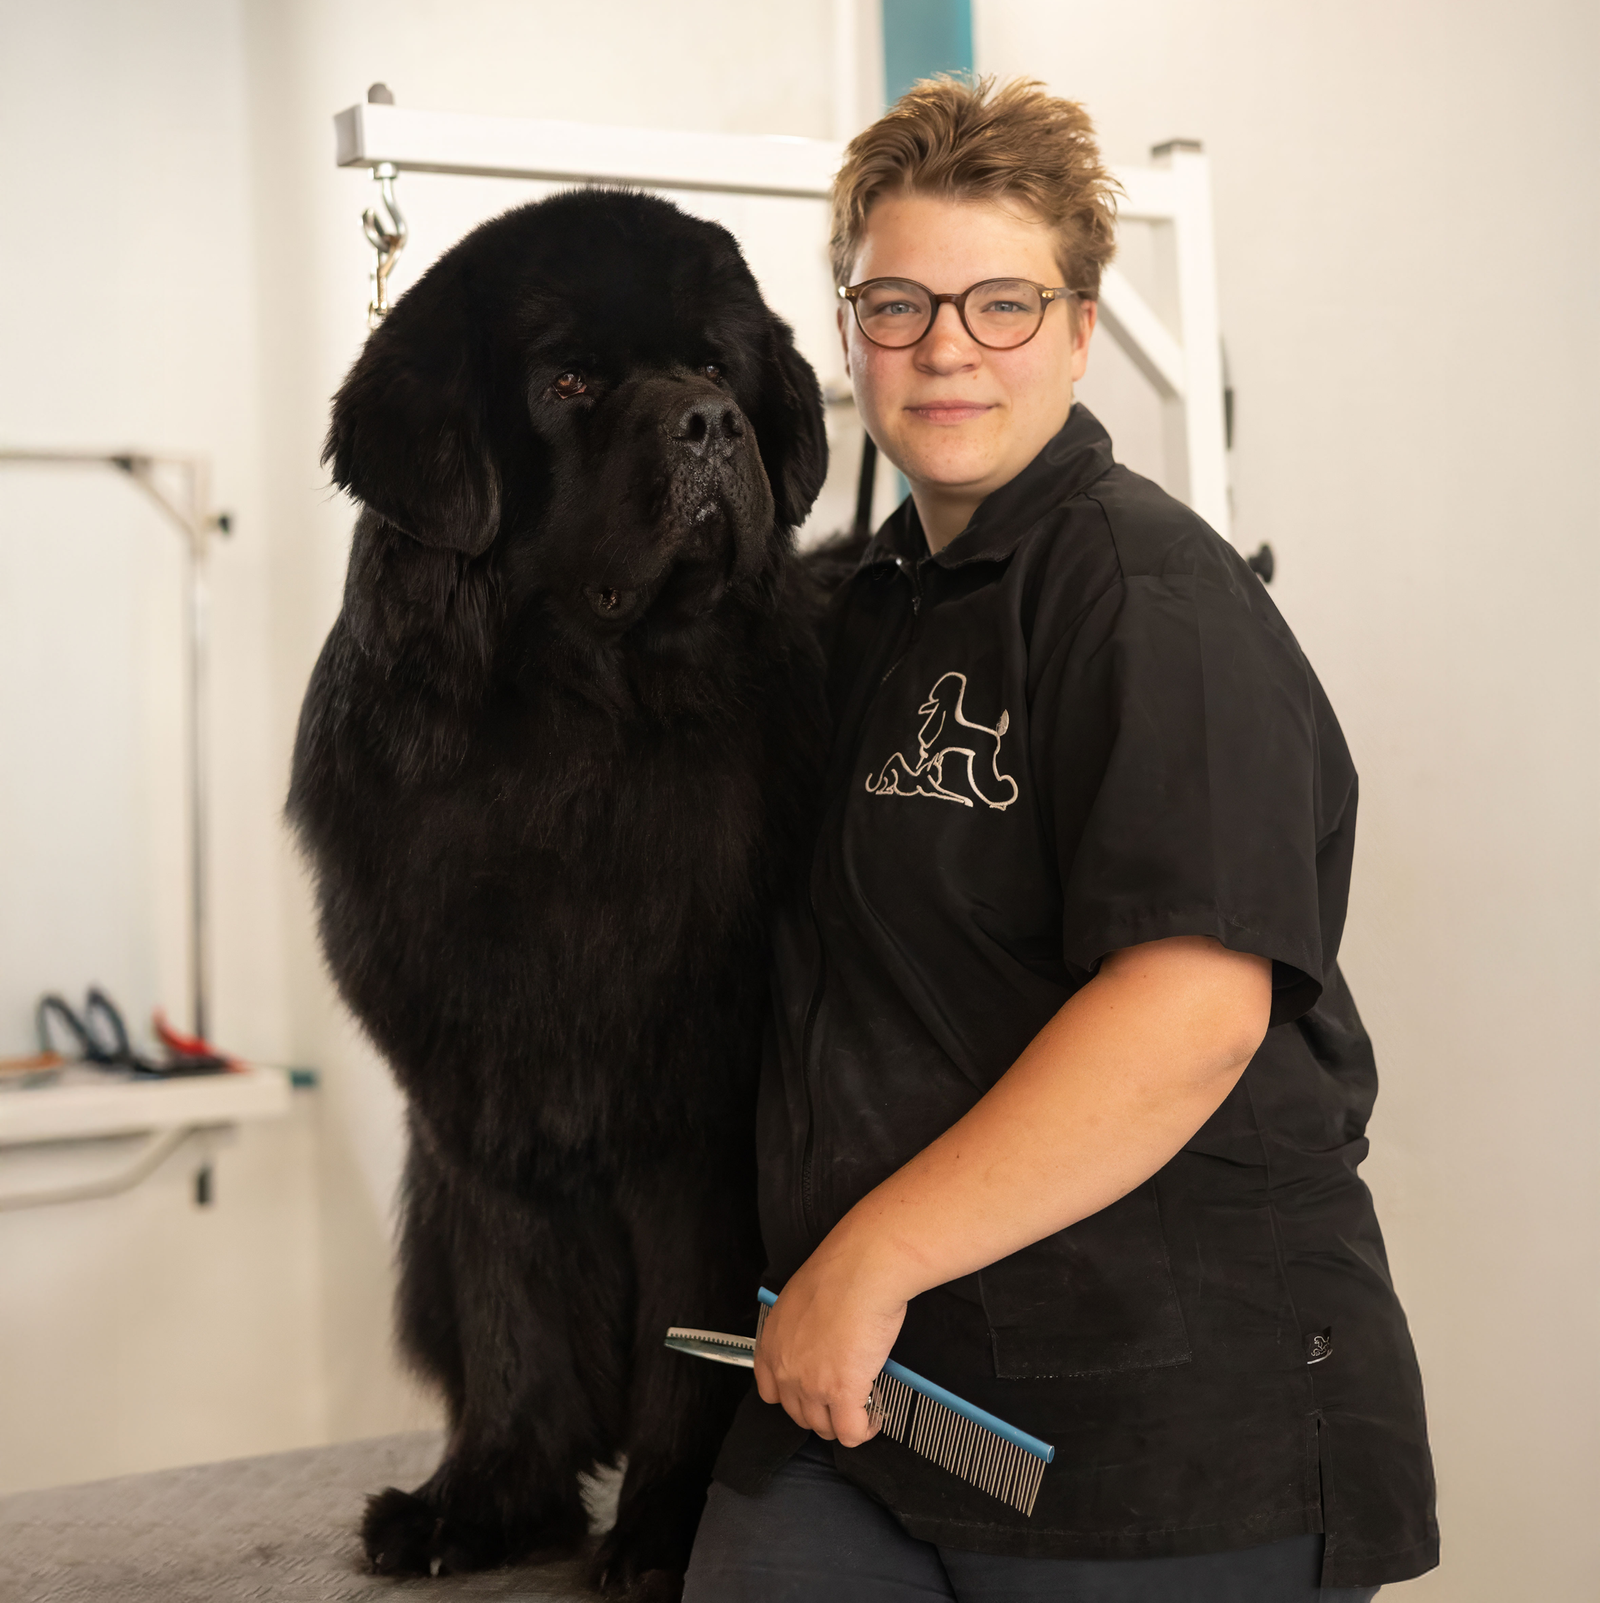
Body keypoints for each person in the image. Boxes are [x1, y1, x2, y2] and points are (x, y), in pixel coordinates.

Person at [683, 77, 1437, 1602]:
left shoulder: (1151, 603)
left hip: (1161, 1419)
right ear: (849, 334)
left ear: (1084, 329)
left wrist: (870, 1259)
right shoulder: (866, 609)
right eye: (898, 303)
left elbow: (1190, 1016)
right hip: (883, 1388)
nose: (946, 345)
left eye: (1002, 302)